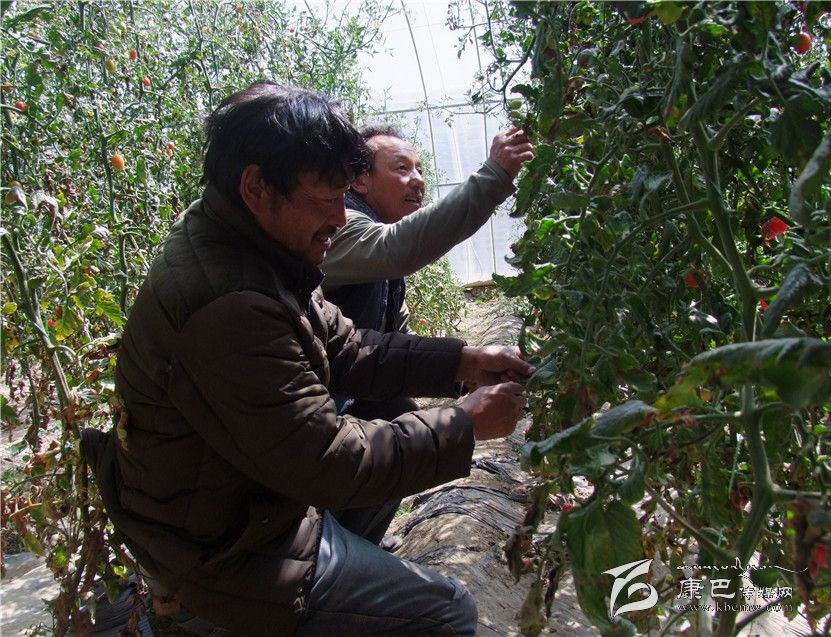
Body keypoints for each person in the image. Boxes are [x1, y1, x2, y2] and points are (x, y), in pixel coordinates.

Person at [91, 81, 534, 637]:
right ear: (257, 186)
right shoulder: (229, 303)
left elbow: (348, 348)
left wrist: (464, 361)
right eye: (327, 199)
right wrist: (464, 424)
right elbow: (327, 463)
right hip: (220, 555)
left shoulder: (252, 251)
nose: (342, 218)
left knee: (392, 435)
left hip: (246, 509)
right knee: (446, 613)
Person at [320, 123, 534, 425]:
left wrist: (469, 372)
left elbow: (397, 340)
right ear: (360, 180)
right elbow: (396, 248)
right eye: (402, 168)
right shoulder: (341, 227)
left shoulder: (382, 251)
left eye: (419, 170)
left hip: (356, 386)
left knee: (410, 420)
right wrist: (495, 175)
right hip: (315, 402)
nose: (418, 180)